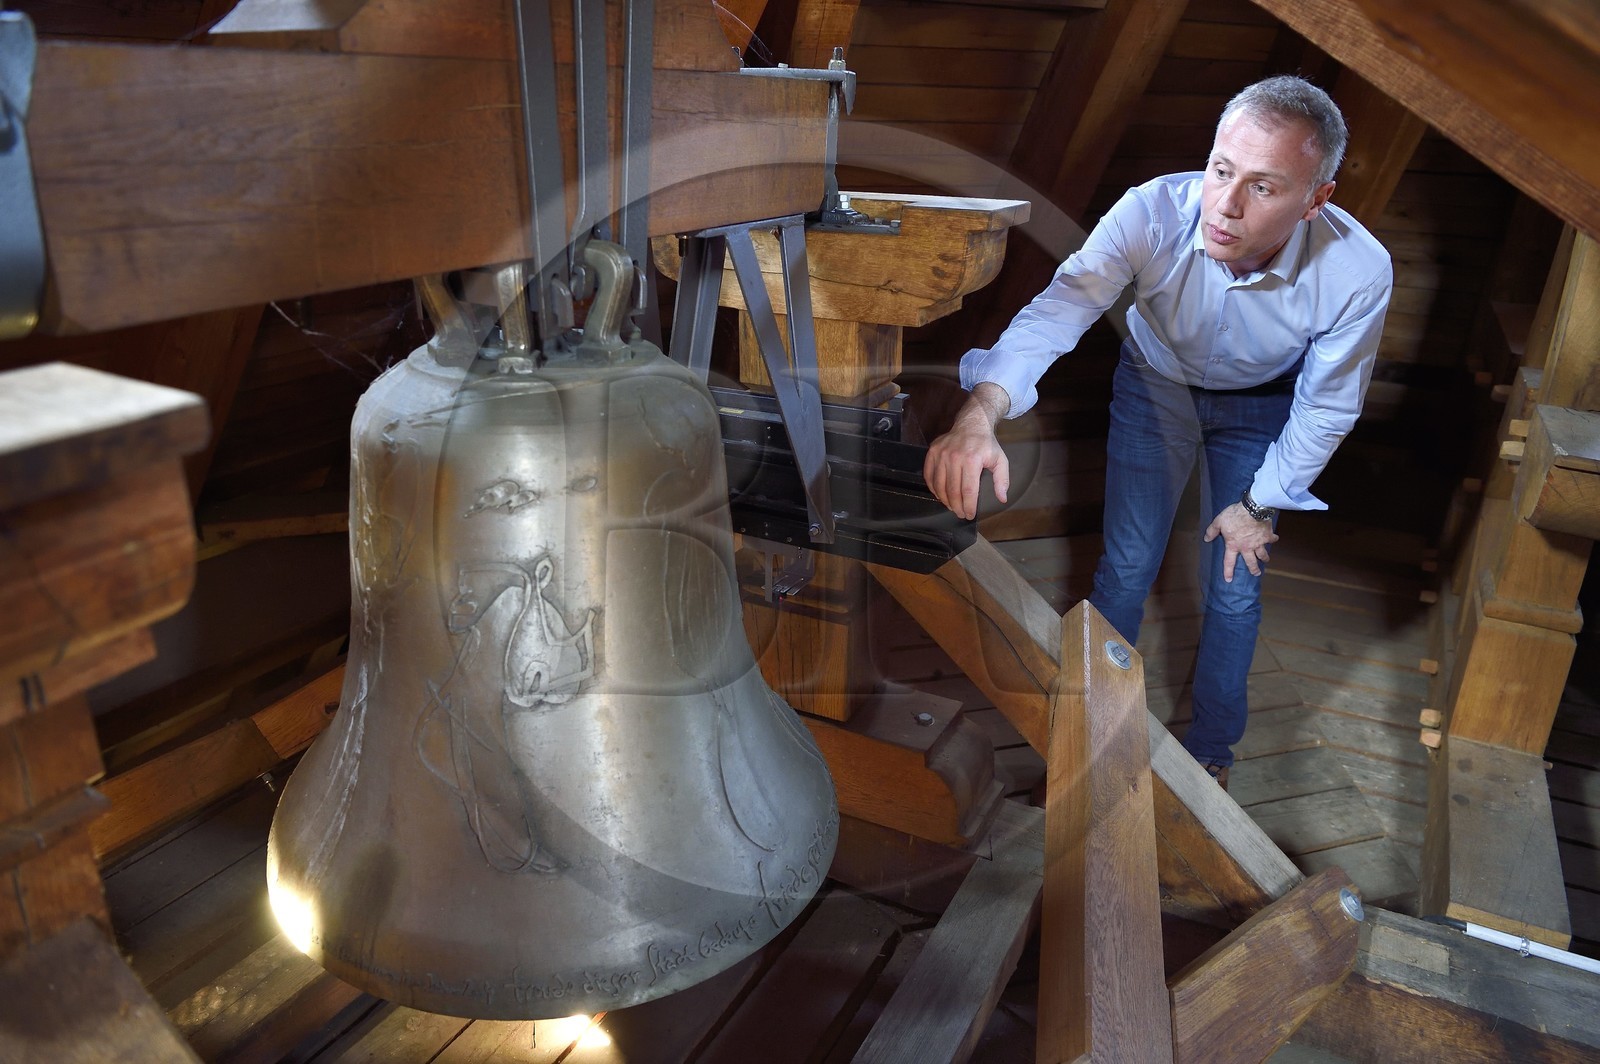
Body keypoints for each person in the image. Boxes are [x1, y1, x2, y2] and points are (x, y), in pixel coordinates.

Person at [923, 76, 1393, 788]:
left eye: (1264, 188)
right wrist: (977, 415)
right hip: (1153, 386)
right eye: (1221, 170)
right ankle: (1093, 731)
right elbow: (1059, 312)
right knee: (1126, 566)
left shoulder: (1359, 269)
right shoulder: (1148, 212)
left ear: (1315, 200)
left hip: (1263, 404)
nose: (1226, 206)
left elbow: (1327, 404)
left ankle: (1212, 751)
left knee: (1234, 586)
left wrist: (1260, 504)